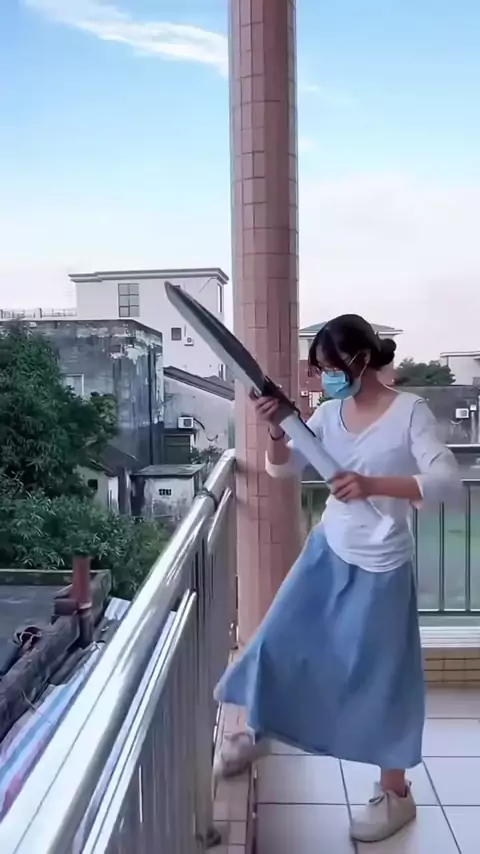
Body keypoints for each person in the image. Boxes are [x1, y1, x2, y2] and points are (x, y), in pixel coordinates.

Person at [214, 314, 461, 844]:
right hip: (328, 548)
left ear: (362, 359)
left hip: (383, 564)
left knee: (384, 682)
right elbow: (283, 469)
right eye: (319, 367)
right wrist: (277, 430)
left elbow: (447, 483)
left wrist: (373, 484)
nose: (323, 376)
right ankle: (257, 728)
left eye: (330, 366)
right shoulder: (327, 414)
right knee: (276, 641)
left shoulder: (409, 412)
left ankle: (395, 792)